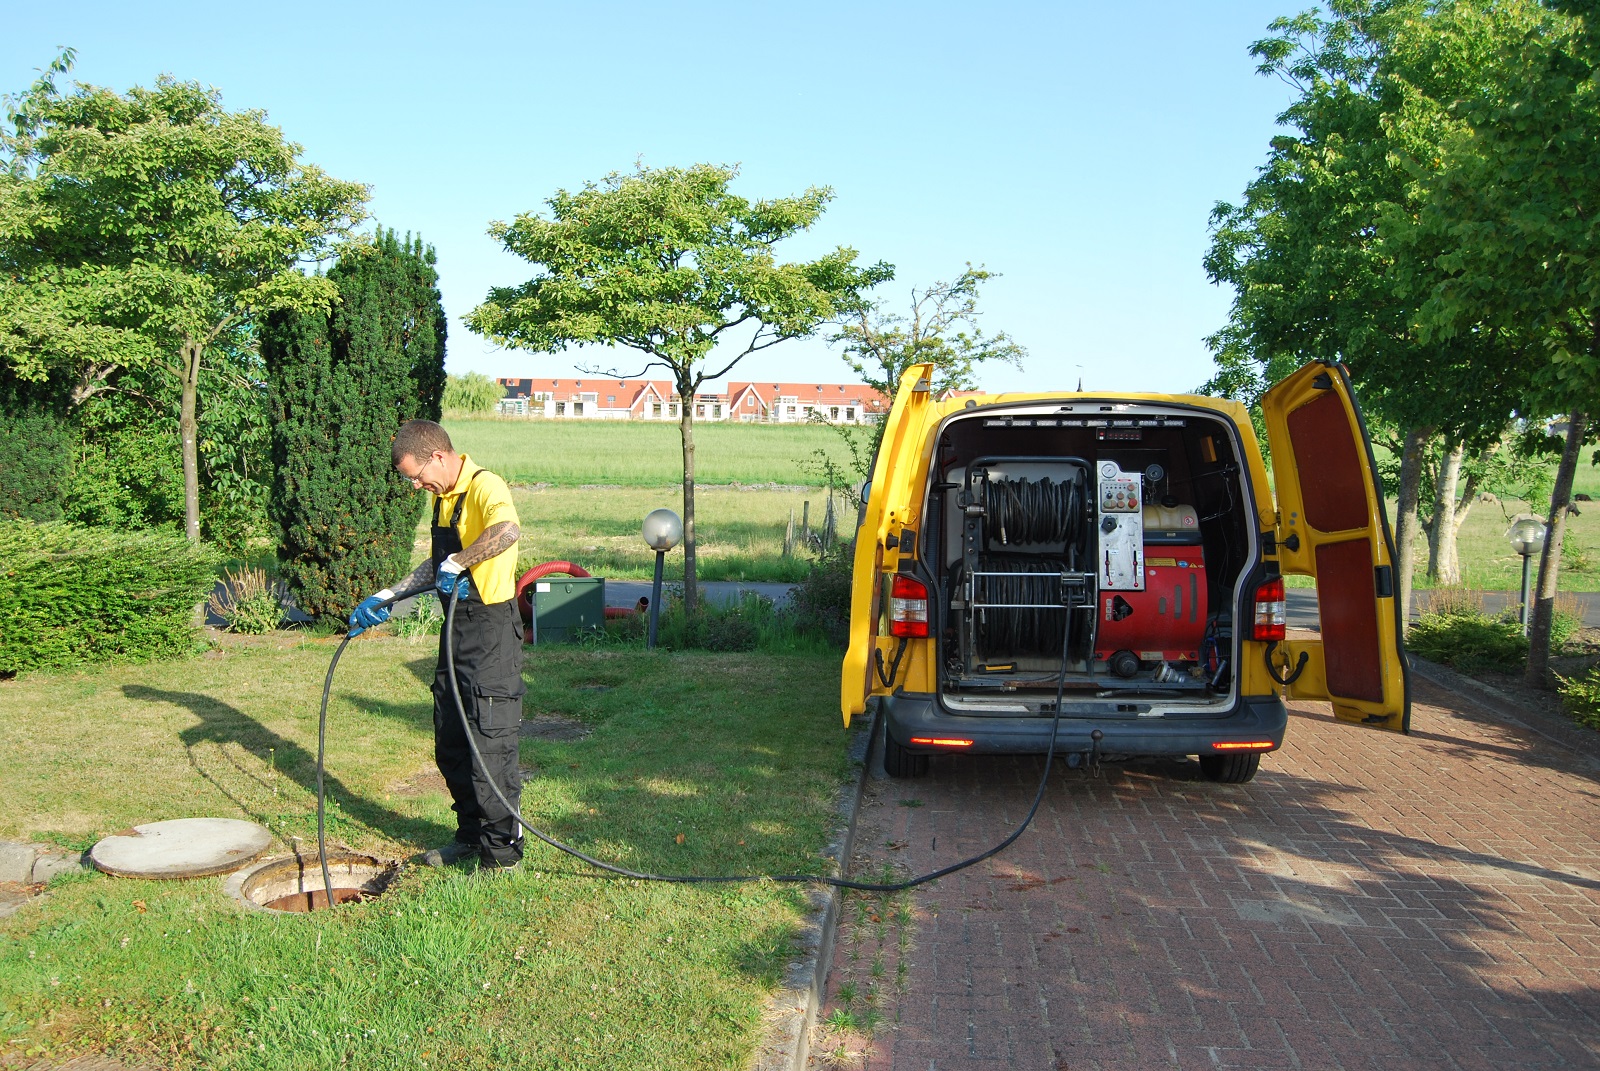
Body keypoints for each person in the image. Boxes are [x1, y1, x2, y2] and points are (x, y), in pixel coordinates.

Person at [348, 419, 525, 871]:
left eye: (416, 474)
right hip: (455, 633)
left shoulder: (486, 486)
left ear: (439, 457)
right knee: (450, 741)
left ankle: (501, 854)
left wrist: (461, 561)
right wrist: (388, 596)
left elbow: (507, 531)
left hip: (490, 631)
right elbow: (436, 565)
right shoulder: (442, 500)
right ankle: (469, 836)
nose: (415, 484)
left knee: (490, 743)